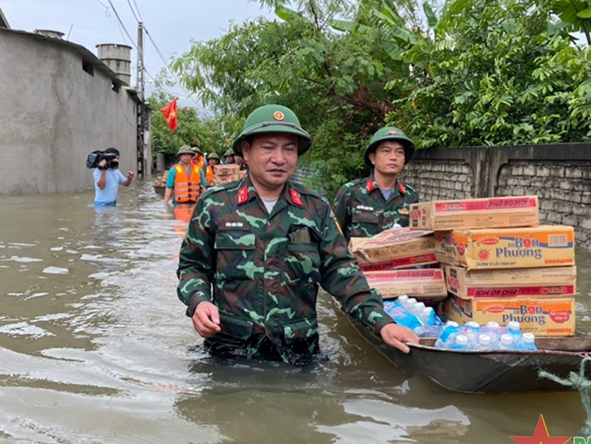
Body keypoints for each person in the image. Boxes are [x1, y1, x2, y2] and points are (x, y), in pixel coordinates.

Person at [176, 105, 419, 364]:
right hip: (229, 354)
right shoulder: (215, 205)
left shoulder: (315, 208)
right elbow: (192, 266)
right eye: (268, 147)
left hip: (298, 355)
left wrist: (382, 323)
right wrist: (198, 302)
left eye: (289, 149)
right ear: (246, 151)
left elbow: (341, 272)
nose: (279, 158)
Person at [333, 127, 419, 242]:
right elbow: (333, 237)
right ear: (373, 158)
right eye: (386, 151)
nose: (393, 157)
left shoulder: (410, 196)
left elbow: (416, 239)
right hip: (358, 260)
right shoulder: (351, 192)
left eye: (399, 152)